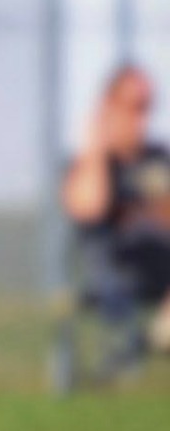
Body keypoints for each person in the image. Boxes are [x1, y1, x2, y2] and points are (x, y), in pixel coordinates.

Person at [62, 64, 170, 351]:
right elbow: (87, 207)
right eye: (133, 106)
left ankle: (159, 335)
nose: (141, 117)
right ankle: (156, 337)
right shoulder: (92, 164)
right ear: (108, 106)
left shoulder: (158, 157)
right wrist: (96, 144)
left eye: (147, 106)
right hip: (118, 269)